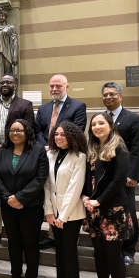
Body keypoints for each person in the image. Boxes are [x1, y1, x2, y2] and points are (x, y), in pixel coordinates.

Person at [36, 74, 87, 249]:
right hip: (48, 153)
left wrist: (57, 144)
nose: (54, 89)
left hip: (68, 155)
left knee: (66, 188)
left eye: (58, 86)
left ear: (67, 87)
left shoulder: (78, 106)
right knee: (50, 187)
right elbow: (37, 130)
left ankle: (67, 232)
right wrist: (48, 146)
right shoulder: (43, 108)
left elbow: (77, 129)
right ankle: (53, 234)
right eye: (52, 86)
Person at [0, 73, 35, 244]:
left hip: (16, 152)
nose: (5, 84)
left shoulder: (25, 105)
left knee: (12, 185)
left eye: (9, 82)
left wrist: (7, 147)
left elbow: (28, 129)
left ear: (15, 84)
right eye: (2, 82)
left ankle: (16, 225)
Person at [0, 119, 48, 278]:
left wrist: (20, 198)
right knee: (13, 244)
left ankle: (32, 275)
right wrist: (7, 197)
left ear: (27, 132)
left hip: (31, 206)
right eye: (12, 130)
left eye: (19, 130)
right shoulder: (2, 151)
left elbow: (40, 178)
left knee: (30, 244)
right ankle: (15, 274)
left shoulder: (38, 150)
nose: (15, 134)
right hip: (8, 207)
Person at [82, 112, 133, 278]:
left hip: (113, 208)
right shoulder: (92, 148)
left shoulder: (119, 147)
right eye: (94, 124)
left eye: (101, 123)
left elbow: (119, 181)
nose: (97, 127)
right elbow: (88, 177)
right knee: (98, 253)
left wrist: (99, 200)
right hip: (94, 208)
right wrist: (85, 196)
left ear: (111, 126)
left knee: (113, 254)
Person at [101, 82, 139, 266]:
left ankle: (128, 250)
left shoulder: (133, 119)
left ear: (120, 96)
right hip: (106, 176)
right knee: (110, 212)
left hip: (125, 177)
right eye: (105, 95)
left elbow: (137, 149)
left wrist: (133, 175)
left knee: (128, 212)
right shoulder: (101, 118)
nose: (108, 97)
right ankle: (111, 245)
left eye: (112, 94)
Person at [44, 121, 87, 278]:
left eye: (63, 134)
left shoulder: (79, 157)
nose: (59, 137)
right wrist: (49, 212)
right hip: (54, 212)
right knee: (59, 251)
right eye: (56, 134)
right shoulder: (50, 155)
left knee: (69, 252)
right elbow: (46, 185)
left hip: (71, 214)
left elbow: (75, 188)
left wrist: (63, 215)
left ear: (71, 136)